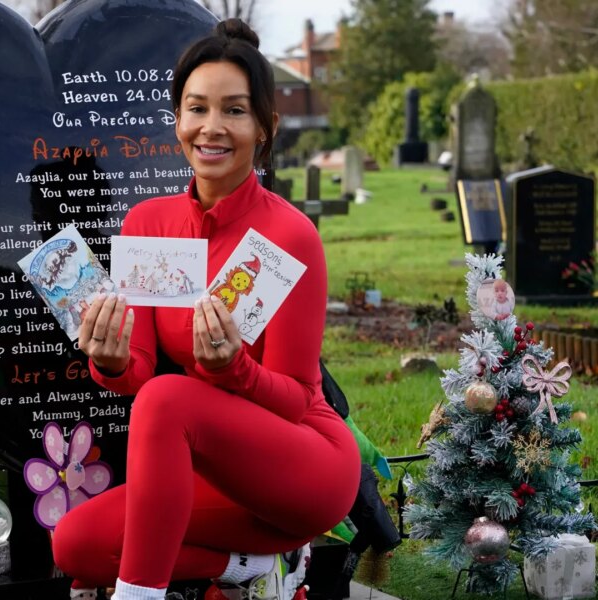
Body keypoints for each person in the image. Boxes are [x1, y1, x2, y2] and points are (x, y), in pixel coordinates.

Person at [51, 19, 361, 600]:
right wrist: (110, 361)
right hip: (215, 468)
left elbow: (297, 397)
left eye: (234, 111)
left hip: (305, 466)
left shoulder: (289, 236)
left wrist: (232, 369)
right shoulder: (149, 223)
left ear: (266, 127)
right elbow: (137, 369)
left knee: (167, 398)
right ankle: (250, 564)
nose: (211, 128)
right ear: (176, 120)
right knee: (76, 543)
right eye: (196, 108)